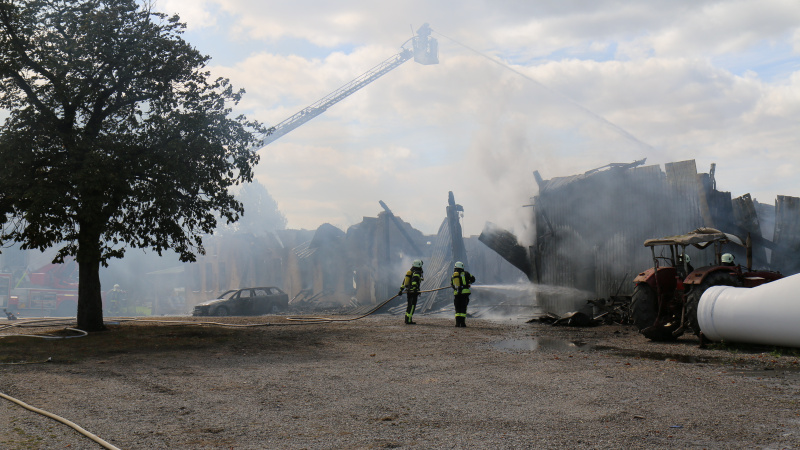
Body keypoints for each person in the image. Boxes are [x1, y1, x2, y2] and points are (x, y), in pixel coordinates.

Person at [398, 259, 424, 325]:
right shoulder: (417, 272)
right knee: (412, 306)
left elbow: (404, 282)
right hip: (413, 292)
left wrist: (401, 290)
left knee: (409, 305)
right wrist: (415, 289)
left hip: (409, 291)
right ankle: (409, 320)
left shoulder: (410, 272)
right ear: (419, 265)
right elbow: (414, 281)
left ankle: (406, 319)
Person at [451, 261, 475, 328]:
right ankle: (463, 324)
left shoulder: (453, 275)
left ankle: (457, 324)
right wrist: (468, 282)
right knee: (463, 309)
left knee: (457, 309)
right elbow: (473, 279)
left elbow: (452, 285)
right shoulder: (466, 273)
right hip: (464, 294)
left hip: (457, 294)